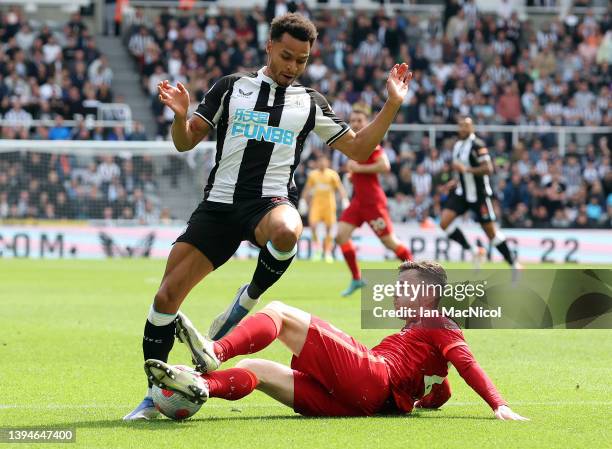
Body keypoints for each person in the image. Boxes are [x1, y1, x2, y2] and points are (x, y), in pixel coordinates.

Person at [124, 12, 413, 420]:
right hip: (220, 207)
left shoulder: (309, 102)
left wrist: (392, 104)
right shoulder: (231, 88)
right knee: (165, 297)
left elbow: (360, 149)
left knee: (288, 229)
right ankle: (154, 396)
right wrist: (178, 116)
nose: (292, 66)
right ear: (269, 47)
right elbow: (186, 142)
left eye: (302, 60)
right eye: (287, 56)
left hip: (269, 203)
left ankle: (250, 297)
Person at [146, 261, 528, 421]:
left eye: (404, 288)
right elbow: (439, 389)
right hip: (364, 404)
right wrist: (427, 398)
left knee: (278, 311)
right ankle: (200, 388)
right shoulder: (422, 336)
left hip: (373, 377)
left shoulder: (438, 322)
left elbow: (467, 364)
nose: (395, 294)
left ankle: (215, 350)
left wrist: (499, 404)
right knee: (254, 370)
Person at [336, 108, 413, 297]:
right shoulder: (355, 144)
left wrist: (357, 169)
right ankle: (356, 278)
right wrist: (354, 175)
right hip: (358, 202)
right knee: (341, 236)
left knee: (389, 243)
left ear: (367, 122)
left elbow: (384, 166)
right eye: (352, 120)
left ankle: (415, 276)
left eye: (359, 120)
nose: (355, 124)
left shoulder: (371, 143)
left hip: (373, 203)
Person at [439, 117, 521, 272]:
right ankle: (474, 251)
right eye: (461, 126)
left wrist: (466, 170)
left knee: (491, 233)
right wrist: (454, 181)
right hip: (462, 193)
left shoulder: (478, 145)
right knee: (444, 223)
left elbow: (488, 168)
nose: (463, 129)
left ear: (472, 128)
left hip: (479, 195)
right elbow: (460, 171)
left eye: (466, 126)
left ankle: (513, 263)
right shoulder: (457, 145)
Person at [300, 154, 348, 262]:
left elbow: (340, 188)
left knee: (329, 228)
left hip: (329, 205)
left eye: (324, 161)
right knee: (313, 226)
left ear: (327, 162)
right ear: (317, 163)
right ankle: (318, 250)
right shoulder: (313, 175)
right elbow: (307, 189)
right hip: (316, 205)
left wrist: (344, 199)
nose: (322, 163)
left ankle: (327, 252)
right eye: (320, 161)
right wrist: (303, 200)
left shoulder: (332, 174)